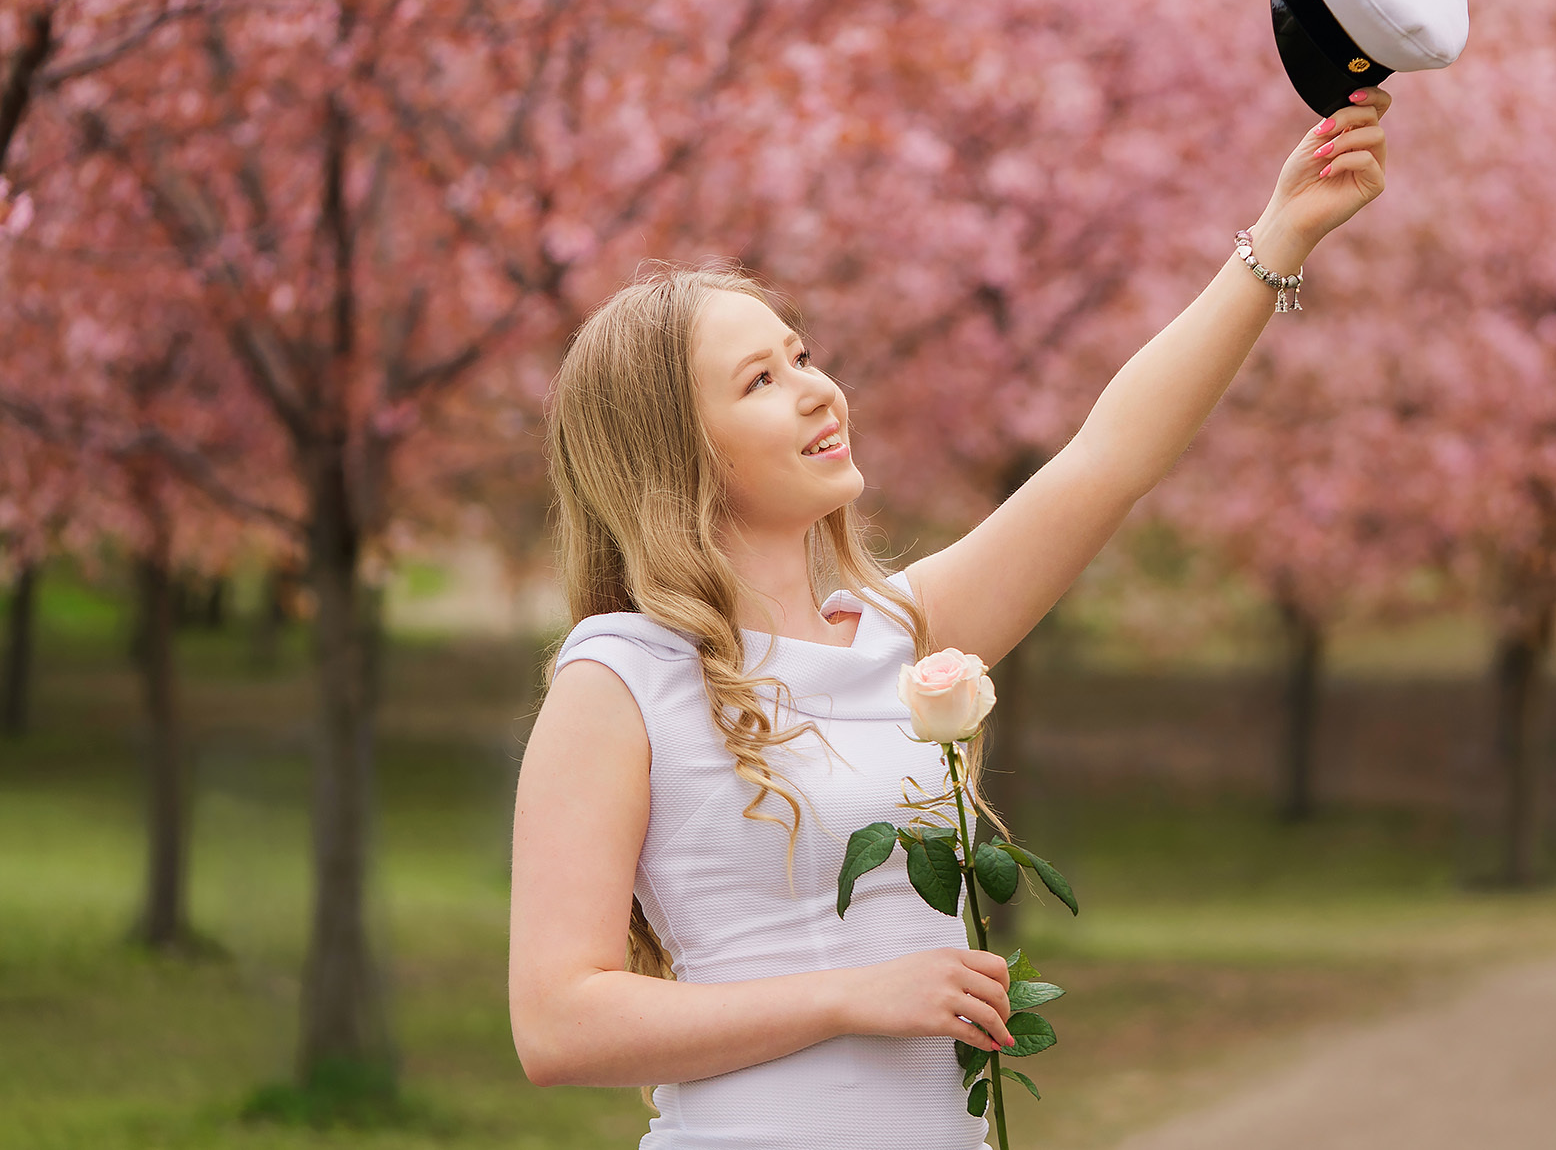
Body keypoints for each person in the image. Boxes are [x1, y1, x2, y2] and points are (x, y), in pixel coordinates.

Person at [507, 87, 1392, 1147]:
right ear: (677, 455)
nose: (816, 390)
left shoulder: (903, 635)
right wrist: (851, 997)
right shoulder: (620, 677)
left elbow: (1108, 462)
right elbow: (557, 1022)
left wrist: (1278, 235)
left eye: (801, 355)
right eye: (759, 380)